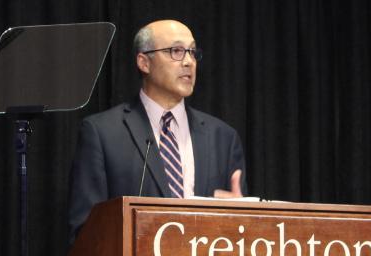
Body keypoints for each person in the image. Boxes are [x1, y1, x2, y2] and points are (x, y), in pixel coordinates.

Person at [67, 20, 247, 242]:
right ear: (144, 62)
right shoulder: (102, 133)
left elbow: (241, 237)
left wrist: (242, 216)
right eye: (176, 51)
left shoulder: (223, 138)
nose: (189, 62)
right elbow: (85, 230)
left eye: (192, 52)